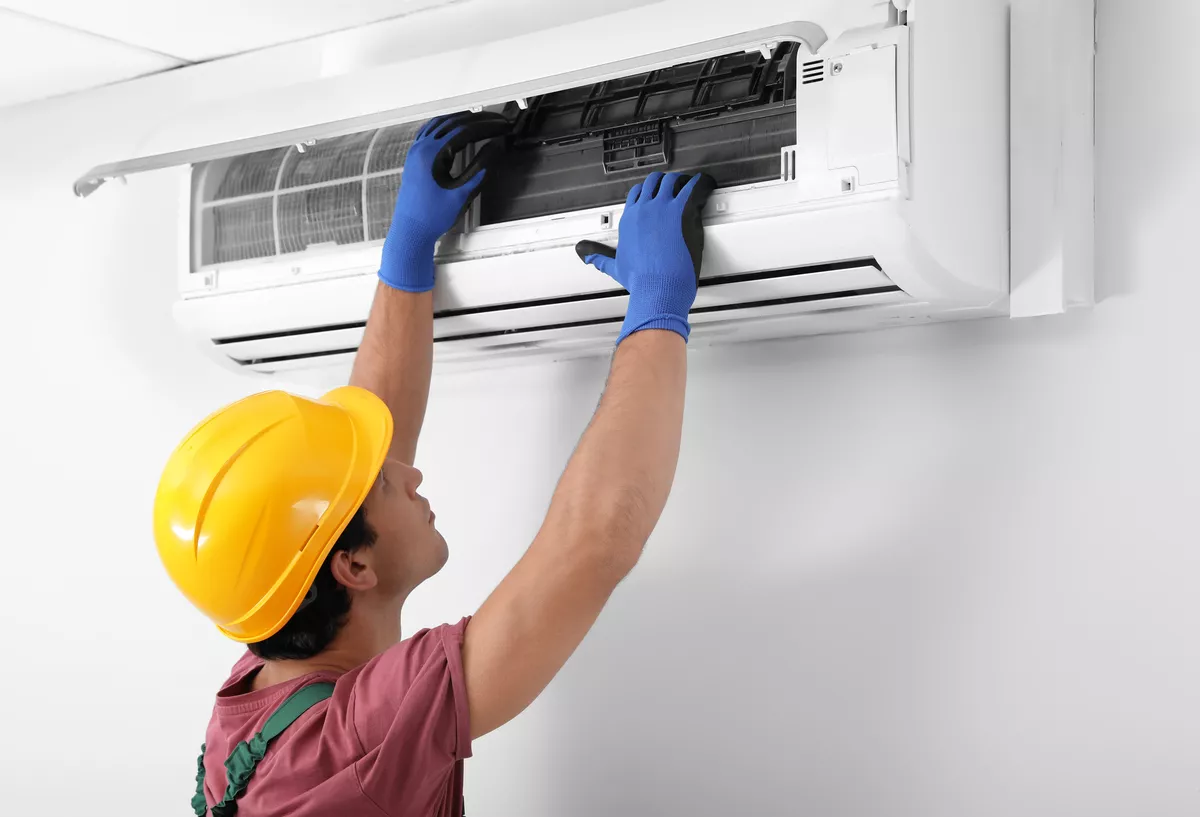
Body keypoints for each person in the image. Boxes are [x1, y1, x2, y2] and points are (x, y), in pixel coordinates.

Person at [155, 111, 716, 816]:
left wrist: (410, 245)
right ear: (352, 567)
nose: (410, 471)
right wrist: (659, 307)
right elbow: (594, 541)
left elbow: (357, 474)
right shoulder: (359, 738)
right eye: (387, 483)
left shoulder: (261, 681)